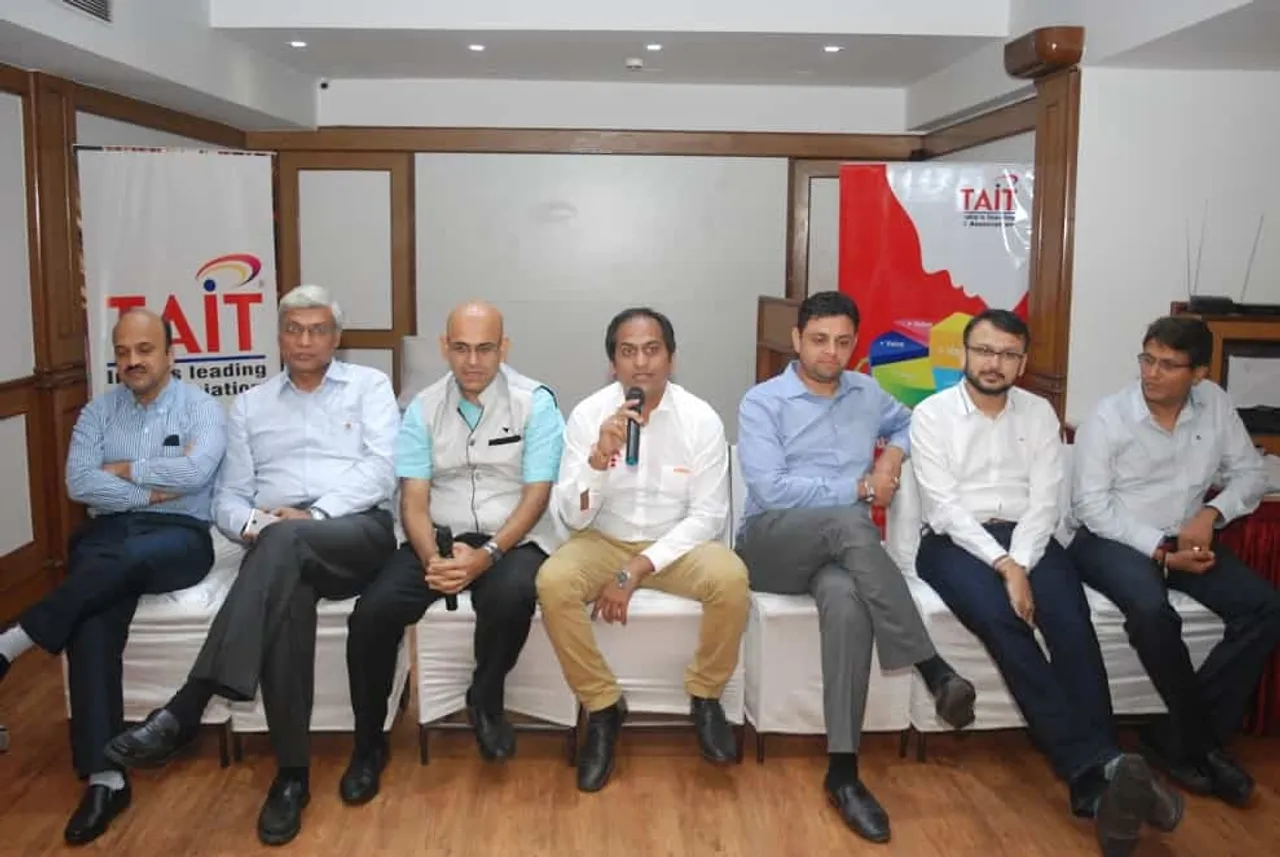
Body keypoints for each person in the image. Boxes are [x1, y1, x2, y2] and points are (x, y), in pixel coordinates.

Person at [103, 285, 400, 846]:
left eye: (317, 330)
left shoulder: (369, 387)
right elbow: (230, 496)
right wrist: (252, 525)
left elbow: (383, 469)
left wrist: (312, 516)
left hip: (355, 531)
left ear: (336, 338)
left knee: (284, 543)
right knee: (284, 593)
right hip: (278, 542)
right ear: (280, 336)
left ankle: (189, 704)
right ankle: (292, 776)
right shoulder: (249, 405)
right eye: (294, 329)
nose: (305, 340)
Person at [910, 309, 1182, 857]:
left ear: (1023, 362)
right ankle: (1105, 763)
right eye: (985, 351)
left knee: (1071, 622)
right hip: (953, 544)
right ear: (965, 353)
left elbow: (1044, 502)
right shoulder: (931, 415)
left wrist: (1021, 559)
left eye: (1008, 354)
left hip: (1030, 537)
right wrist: (1005, 567)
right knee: (1005, 622)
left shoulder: (1038, 414)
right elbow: (945, 509)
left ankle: (1097, 787)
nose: (995, 363)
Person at [735, 290, 975, 844]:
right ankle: (932, 667)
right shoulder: (764, 402)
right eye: (819, 340)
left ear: (855, 343)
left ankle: (843, 773)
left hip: (842, 551)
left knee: (847, 604)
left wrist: (891, 453)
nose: (831, 352)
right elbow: (771, 490)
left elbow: (912, 424)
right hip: (772, 544)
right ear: (796, 340)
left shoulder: (868, 393)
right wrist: (861, 486)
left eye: (843, 342)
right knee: (850, 519)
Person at [0, 310, 225, 846]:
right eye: (123, 352)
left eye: (144, 350)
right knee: (94, 613)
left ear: (171, 354)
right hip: (108, 533)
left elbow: (196, 475)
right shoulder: (97, 413)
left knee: (114, 566)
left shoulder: (202, 408)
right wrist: (152, 488)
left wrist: (123, 470)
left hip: (179, 535)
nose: (132, 361)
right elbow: (80, 483)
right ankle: (106, 778)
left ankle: (14, 641)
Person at [341, 301, 565, 804]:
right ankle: (368, 744)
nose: (472, 361)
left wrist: (487, 556)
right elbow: (413, 500)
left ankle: (485, 696)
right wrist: (433, 561)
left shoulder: (536, 403)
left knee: (510, 596)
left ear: (504, 348)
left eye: (485, 348)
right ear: (445, 348)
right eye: (461, 348)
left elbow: (537, 496)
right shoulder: (422, 408)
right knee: (372, 614)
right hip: (437, 536)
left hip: (512, 536)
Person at [1069, 315, 1280, 808]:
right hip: (1112, 540)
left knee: (1266, 606)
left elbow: (1250, 473)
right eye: (1147, 359)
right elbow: (1091, 507)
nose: (1151, 373)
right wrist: (1162, 553)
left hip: (1188, 534)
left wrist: (1212, 513)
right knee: (1151, 611)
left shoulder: (1215, 405)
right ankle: (1203, 745)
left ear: (1199, 373)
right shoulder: (1110, 417)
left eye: (1167, 364)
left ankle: (1174, 736)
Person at [537, 307, 750, 793]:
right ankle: (603, 707)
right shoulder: (588, 415)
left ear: (671, 358)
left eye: (652, 350)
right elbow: (572, 516)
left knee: (732, 578)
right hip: (602, 538)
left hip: (676, 543)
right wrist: (597, 460)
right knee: (552, 582)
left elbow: (709, 516)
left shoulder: (700, 419)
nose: (640, 363)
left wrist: (636, 568)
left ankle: (705, 696)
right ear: (612, 363)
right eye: (628, 352)